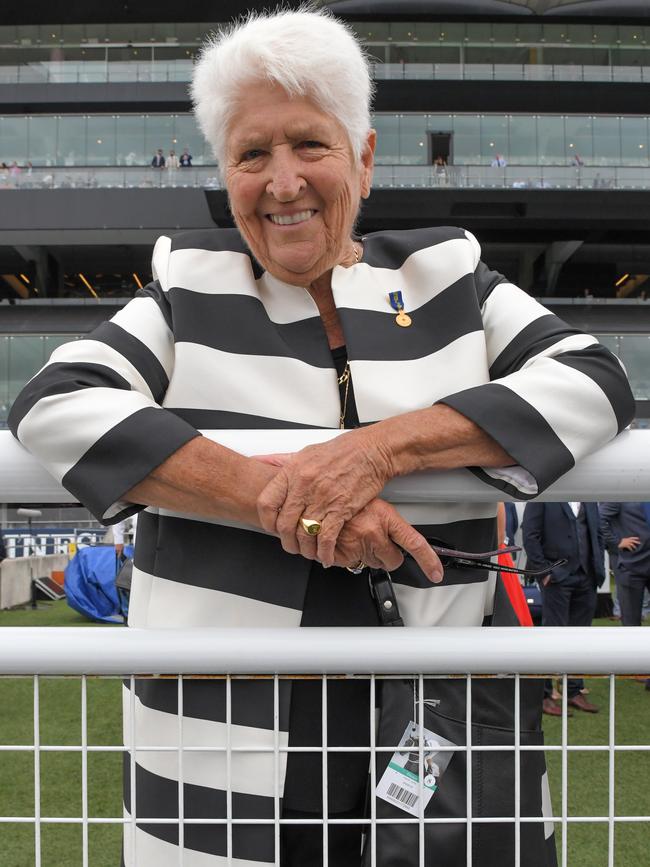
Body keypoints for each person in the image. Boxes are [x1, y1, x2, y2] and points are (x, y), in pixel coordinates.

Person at [9, 8, 634, 866]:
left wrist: (378, 452)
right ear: (223, 174)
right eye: (251, 154)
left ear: (365, 159)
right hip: (223, 725)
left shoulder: (449, 275)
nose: (282, 180)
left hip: (433, 712)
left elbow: (596, 378)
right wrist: (293, 502)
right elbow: (58, 400)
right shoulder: (184, 289)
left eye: (310, 145)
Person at [522, 502, 606, 716]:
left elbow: (596, 532)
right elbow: (530, 534)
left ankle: (574, 691)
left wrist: (598, 570)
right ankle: (544, 695)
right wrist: (544, 572)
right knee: (552, 636)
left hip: (587, 576)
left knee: (580, 636)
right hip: (556, 578)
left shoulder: (588, 496)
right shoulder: (544, 495)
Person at [599, 502, 650, 627]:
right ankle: (634, 647)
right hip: (630, 565)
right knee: (631, 621)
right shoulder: (620, 492)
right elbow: (598, 519)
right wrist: (616, 542)